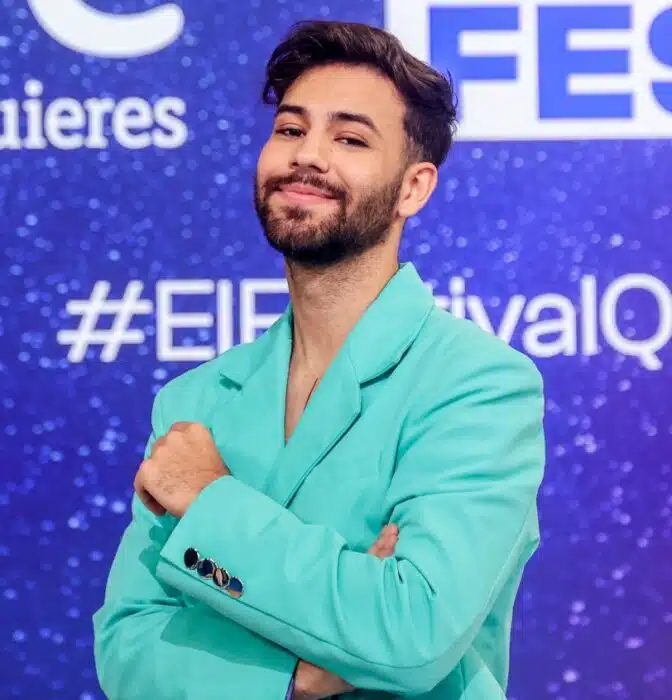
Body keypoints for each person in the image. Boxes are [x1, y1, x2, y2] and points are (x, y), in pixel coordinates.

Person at [92, 19, 546, 700]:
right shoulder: (194, 400)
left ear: (414, 188)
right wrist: (296, 675)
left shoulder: (478, 385)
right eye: (290, 129)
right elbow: (127, 648)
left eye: (350, 139)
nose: (307, 155)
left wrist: (210, 502)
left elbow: (411, 633)